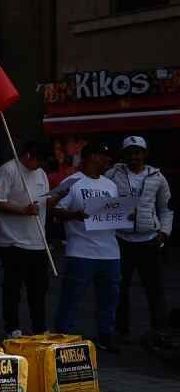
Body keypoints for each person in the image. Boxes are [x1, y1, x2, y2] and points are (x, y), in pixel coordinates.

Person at [52, 142, 121, 351]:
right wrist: (74, 215)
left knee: (109, 298)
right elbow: (54, 209)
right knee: (72, 297)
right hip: (81, 250)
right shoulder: (72, 182)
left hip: (110, 251)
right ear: (92, 157)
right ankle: (64, 336)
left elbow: (115, 211)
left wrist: (126, 215)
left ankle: (105, 336)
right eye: (104, 156)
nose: (108, 160)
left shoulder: (110, 185)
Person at [108, 136, 173, 343]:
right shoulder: (112, 175)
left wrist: (163, 233)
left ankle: (159, 330)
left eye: (138, 152)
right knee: (119, 288)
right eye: (130, 153)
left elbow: (166, 209)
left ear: (145, 154)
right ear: (124, 155)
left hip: (149, 241)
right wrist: (118, 216)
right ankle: (120, 330)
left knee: (155, 289)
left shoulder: (157, 177)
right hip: (121, 240)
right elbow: (104, 204)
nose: (134, 157)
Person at [0, 141, 51, 338]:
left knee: (39, 287)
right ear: (27, 156)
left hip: (36, 238)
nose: (39, 165)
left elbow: (43, 202)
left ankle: (39, 326)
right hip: (12, 239)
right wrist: (22, 210)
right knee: (13, 285)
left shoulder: (41, 173)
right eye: (37, 160)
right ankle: (12, 327)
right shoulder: (9, 170)